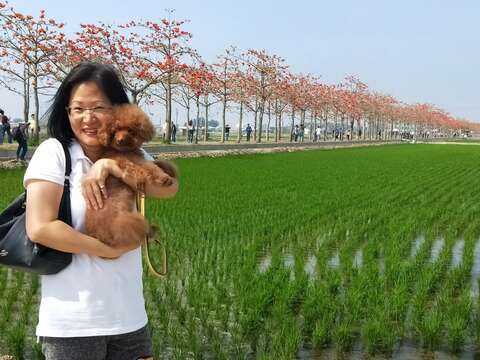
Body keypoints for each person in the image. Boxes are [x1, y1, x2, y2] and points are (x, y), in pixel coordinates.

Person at [24, 62, 178, 360]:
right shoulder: (55, 153)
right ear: (67, 112)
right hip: (73, 326)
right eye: (78, 109)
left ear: (117, 110)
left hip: (131, 319)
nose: (88, 118)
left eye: (98, 107)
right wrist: (104, 250)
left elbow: (168, 188)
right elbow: (40, 227)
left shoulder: (132, 152)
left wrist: (110, 166)